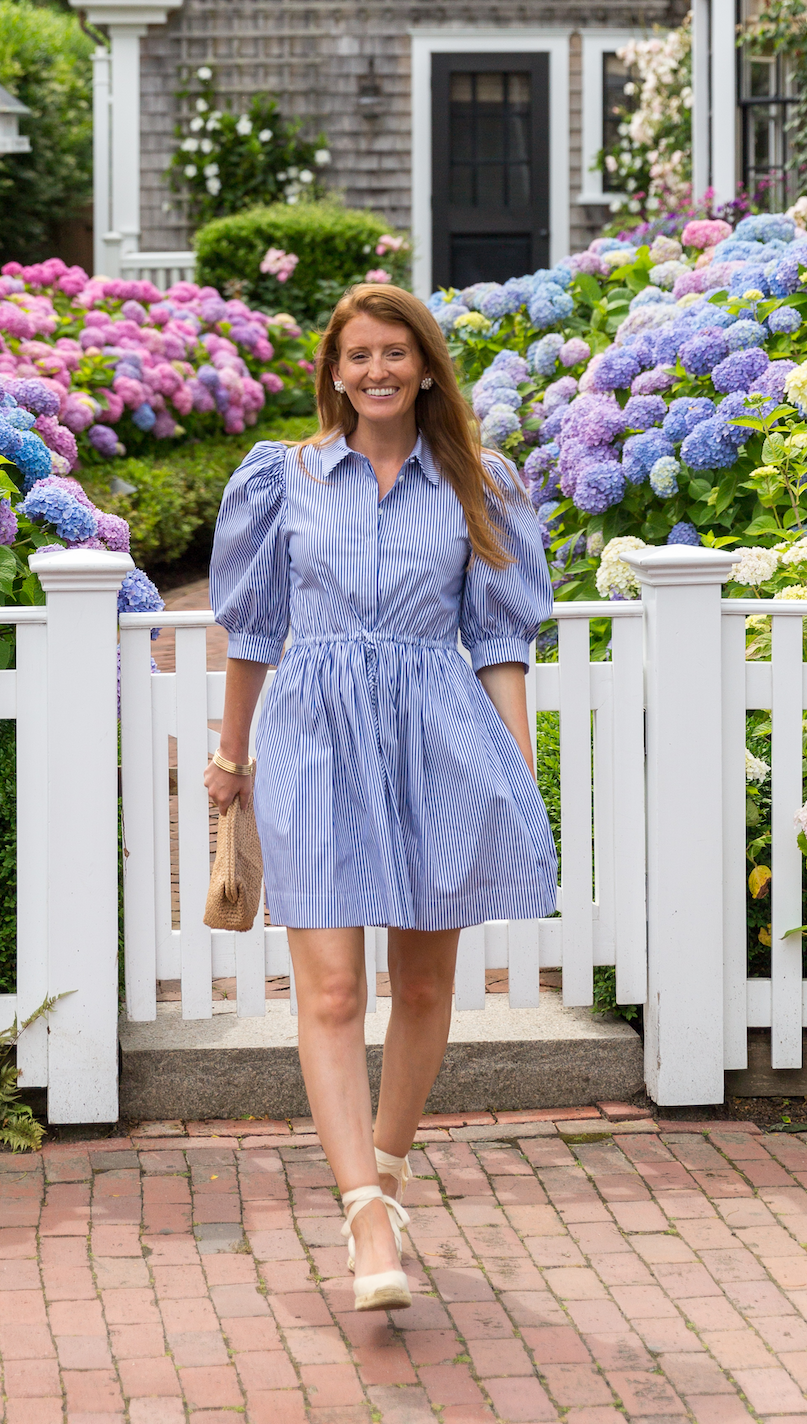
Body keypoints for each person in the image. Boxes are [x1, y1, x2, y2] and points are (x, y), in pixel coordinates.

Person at [205, 284, 556, 1312]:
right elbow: (254, 632)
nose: (377, 372)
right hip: (312, 741)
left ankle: (390, 1173)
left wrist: (515, 772)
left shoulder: (476, 484)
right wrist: (231, 758)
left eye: (396, 353)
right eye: (358, 355)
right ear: (334, 369)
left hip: (437, 736)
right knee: (329, 994)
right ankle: (363, 1213)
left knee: (429, 987)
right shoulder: (287, 479)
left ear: (427, 365)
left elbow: (499, 642)